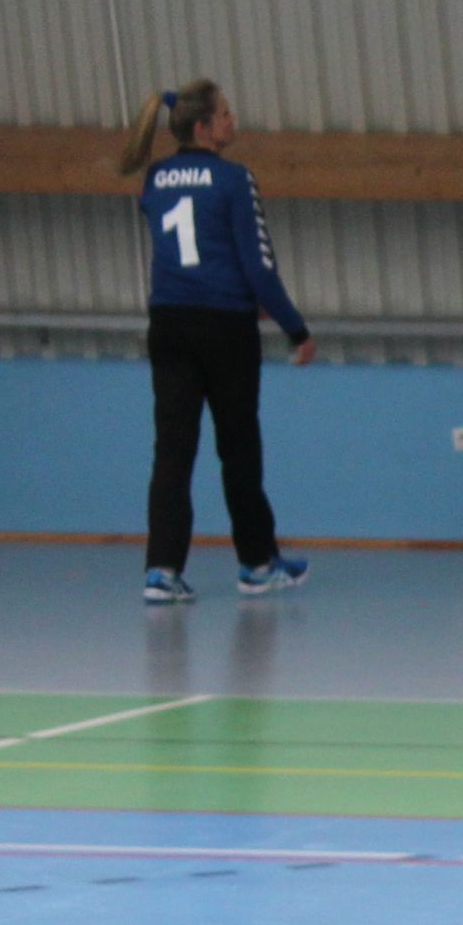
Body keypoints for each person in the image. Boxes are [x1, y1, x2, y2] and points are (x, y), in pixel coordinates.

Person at [117, 81, 315, 607]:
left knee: (173, 451)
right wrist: (296, 329)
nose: (234, 121)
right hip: (225, 327)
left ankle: (161, 571)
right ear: (203, 127)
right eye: (226, 114)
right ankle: (257, 564)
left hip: (168, 322)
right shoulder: (233, 178)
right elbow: (258, 265)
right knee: (239, 448)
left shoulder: (155, 177)